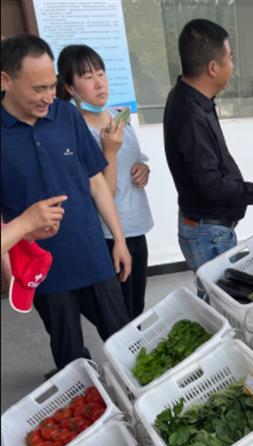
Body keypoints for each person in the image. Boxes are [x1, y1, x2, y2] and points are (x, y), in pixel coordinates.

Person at [1, 34, 131, 374]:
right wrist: (11, 272)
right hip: (42, 268)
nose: (48, 97)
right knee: (70, 357)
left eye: (51, 86)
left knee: (125, 341)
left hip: (90, 252)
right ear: (5, 80)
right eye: (37, 89)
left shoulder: (66, 116)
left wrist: (117, 239)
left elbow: (95, 181)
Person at [164, 19, 253, 293]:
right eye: (230, 58)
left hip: (206, 226)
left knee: (218, 299)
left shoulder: (191, 99)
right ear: (213, 67)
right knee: (222, 305)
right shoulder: (190, 115)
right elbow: (212, 187)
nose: (233, 65)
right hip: (208, 232)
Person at [57, 44, 153, 320]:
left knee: (137, 307)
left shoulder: (119, 115)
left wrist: (143, 169)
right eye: (87, 77)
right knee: (120, 314)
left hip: (136, 225)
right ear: (71, 88)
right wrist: (108, 151)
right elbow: (103, 193)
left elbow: (135, 159)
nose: (99, 82)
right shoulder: (76, 131)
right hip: (108, 235)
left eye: (101, 73)